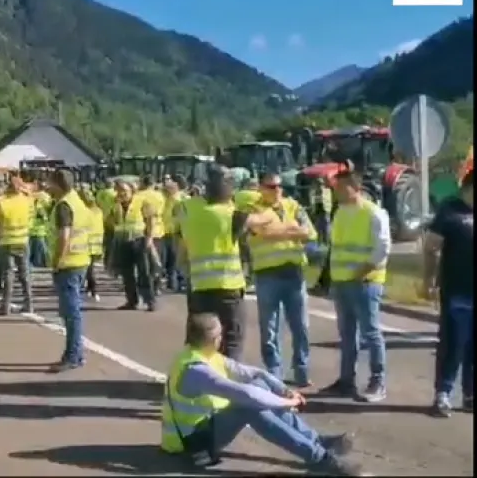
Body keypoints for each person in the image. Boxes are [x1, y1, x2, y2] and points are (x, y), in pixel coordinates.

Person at [160, 313, 364, 476]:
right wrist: (286, 402)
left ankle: (317, 441)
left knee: (258, 386)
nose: (222, 338)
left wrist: (283, 389)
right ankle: (320, 459)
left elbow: (254, 374)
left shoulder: (202, 355)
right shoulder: (195, 370)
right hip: (191, 443)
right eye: (220, 334)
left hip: (206, 427)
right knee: (250, 409)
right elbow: (247, 395)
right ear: (213, 339)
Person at [175, 167, 299, 361]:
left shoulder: (188, 208)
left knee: (198, 338)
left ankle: (192, 376)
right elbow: (261, 220)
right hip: (228, 288)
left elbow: (182, 244)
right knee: (231, 340)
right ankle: (227, 381)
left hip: (199, 286)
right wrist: (272, 204)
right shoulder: (231, 214)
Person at [318, 170, 390, 403]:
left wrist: (362, 272)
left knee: (371, 332)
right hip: (342, 282)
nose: (336, 192)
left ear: (355, 188)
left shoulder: (374, 213)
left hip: (364, 283)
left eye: (340, 188)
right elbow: (336, 249)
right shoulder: (340, 213)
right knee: (347, 335)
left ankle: (378, 381)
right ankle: (346, 381)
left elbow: (382, 248)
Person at [249, 172, 317, 387]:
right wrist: (291, 230)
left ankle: (301, 370)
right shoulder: (254, 210)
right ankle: (274, 372)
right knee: (269, 328)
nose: (277, 190)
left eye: (279, 186)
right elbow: (257, 234)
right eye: (271, 186)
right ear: (261, 188)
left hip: (293, 272)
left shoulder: (293, 206)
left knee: (301, 326)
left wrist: (276, 231)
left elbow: (310, 233)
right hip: (267, 273)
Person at [423, 169, 473, 417]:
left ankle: (470, 394)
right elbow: (431, 247)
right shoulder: (450, 210)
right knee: (454, 343)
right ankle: (443, 393)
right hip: (457, 290)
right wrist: (429, 279)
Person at [46, 169, 92, 372]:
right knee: (71, 311)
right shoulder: (77, 201)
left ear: (57, 183)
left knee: (71, 312)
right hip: (80, 259)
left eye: (50, 182)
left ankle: (73, 355)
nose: (47, 186)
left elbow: (64, 236)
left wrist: (56, 261)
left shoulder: (64, 205)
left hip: (69, 263)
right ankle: (74, 353)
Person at [110, 180, 155, 310]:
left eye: (124, 190)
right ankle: (131, 300)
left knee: (144, 272)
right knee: (127, 273)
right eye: (118, 190)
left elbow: (150, 220)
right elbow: (112, 220)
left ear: (132, 191)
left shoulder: (141, 201)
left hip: (138, 239)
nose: (121, 193)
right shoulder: (115, 204)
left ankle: (149, 300)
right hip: (122, 241)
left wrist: (149, 238)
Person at [0, 175, 35, 315]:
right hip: (23, 240)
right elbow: (31, 218)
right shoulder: (27, 201)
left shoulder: (1, 202)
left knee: (8, 274)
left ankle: (5, 305)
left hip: (6, 241)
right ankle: (29, 303)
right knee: (25, 273)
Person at [161, 176, 188, 293]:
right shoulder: (164, 199)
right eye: (165, 189)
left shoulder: (182, 200)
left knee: (175, 259)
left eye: (169, 189)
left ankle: (177, 283)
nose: (166, 191)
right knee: (168, 259)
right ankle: (172, 283)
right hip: (164, 232)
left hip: (176, 233)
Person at [80, 188, 104, 302]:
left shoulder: (84, 212)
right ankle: (90, 288)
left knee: (88, 269)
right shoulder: (99, 211)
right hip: (97, 243)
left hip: (86, 242)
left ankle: (93, 289)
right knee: (90, 268)